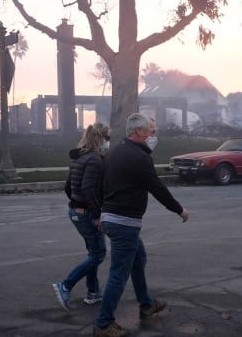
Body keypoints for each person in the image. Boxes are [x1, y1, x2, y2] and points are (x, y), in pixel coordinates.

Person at [93, 113, 189, 337]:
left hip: (114, 219)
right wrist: (179, 210)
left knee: (138, 259)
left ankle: (146, 305)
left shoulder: (115, 151)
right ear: (139, 132)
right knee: (119, 274)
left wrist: (100, 213)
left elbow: (100, 184)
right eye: (152, 132)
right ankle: (103, 324)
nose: (154, 136)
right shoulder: (139, 157)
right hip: (124, 222)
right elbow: (157, 187)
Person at [52, 123, 111, 312]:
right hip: (86, 213)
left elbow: (68, 187)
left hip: (75, 211)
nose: (108, 143)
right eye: (107, 139)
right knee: (99, 254)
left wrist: (76, 203)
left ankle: (93, 293)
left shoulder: (79, 158)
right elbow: (87, 188)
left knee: (93, 253)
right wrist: (96, 214)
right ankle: (66, 285)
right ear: (100, 139)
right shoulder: (94, 160)